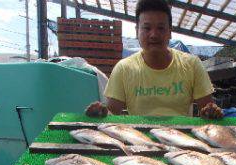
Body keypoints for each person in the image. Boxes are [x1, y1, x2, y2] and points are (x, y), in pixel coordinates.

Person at [86, 0, 223, 119]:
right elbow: (112, 113)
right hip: (139, 143)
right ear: (137, 31)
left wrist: (211, 112)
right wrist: (101, 113)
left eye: (161, 28)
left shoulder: (192, 64)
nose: (153, 35)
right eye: (147, 28)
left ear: (170, 31)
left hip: (181, 142)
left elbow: (207, 111)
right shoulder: (123, 68)